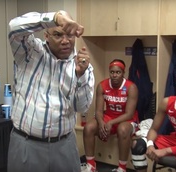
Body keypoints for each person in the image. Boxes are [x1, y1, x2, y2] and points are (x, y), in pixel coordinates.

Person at [7, 10, 95, 172]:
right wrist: (55, 18)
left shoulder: (82, 65)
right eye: (58, 35)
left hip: (64, 146)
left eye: (70, 35)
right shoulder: (30, 52)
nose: (65, 41)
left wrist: (80, 75)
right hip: (26, 144)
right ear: (46, 35)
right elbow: (14, 27)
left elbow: (82, 107)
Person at [131, 77, 176, 172]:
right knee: (138, 145)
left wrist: (166, 151)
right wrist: (150, 145)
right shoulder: (167, 102)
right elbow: (154, 129)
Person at [81, 59, 139, 172]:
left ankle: (122, 168)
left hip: (126, 119)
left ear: (123, 73)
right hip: (109, 117)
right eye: (112, 72)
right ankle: (91, 165)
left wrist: (110, 123)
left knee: (122, 129)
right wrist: (102, 123)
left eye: (118, 72)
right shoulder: (102, 86)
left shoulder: (131, 87)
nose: (114, 75)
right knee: (88, 128)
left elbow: (129, 114)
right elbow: (98, 111)